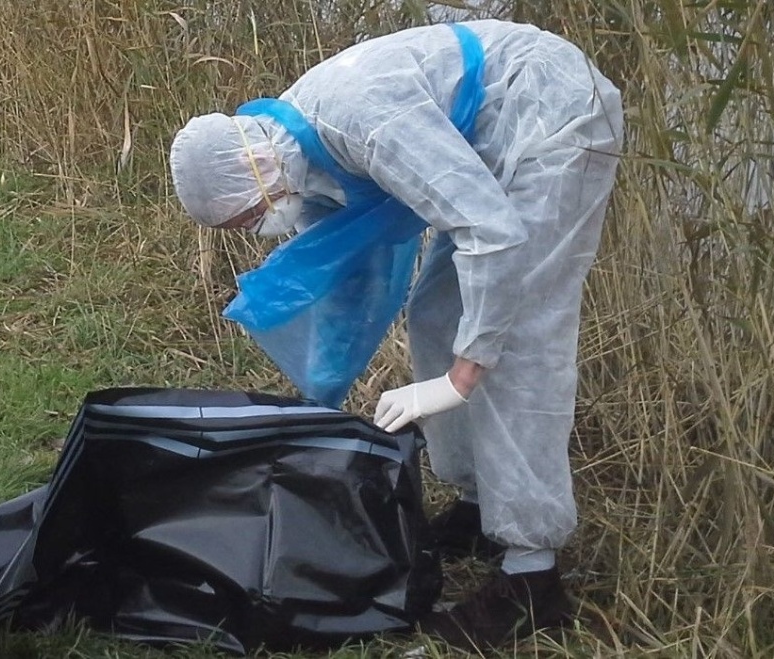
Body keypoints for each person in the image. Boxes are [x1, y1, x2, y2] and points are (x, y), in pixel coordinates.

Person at [167, 18, 623, 651]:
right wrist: (316, 406)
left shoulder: (362, 125)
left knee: (515, 337)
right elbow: (355, 284)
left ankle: (530, 577)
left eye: (248, 218)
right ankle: (474, 503)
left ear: (255, 171)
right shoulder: (297, 155)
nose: (256, 229)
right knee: (438, 311)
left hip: (552, 113)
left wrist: (462, 378)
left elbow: (491, 234)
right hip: (485, 133)